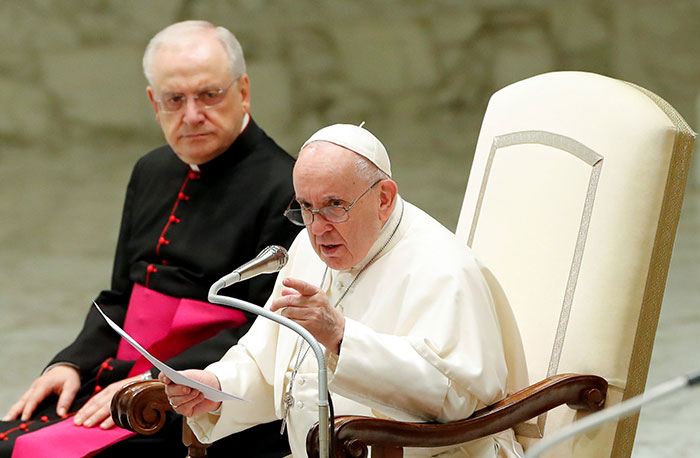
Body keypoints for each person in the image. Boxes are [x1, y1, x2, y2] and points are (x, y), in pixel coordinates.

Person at [1, 21, 299, 457]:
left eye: (209, 95)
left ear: (244, 90)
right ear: (153, 104)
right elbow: (120, 295)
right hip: (117, 375)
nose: (192, 115)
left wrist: (155, 382)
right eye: (174, 100)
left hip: (196, 398)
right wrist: (70, 362)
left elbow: (267, 331)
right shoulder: (151, 170)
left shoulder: (286, 186)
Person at [161, 123, 528, 457]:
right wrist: (214, 385)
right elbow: (268, 360)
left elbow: (455, 397)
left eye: (335, 206)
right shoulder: (308, 246)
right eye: (305, 207)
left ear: (384, 198)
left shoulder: (444, 267)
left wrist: (341, 337)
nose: (317, 229)